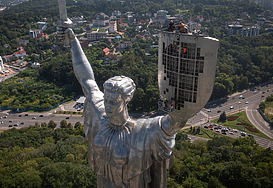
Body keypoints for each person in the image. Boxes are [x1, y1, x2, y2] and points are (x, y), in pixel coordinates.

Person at [60, 28, 204, 188]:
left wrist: (187, 67)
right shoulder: (100, 116)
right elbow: (86, 79)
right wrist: (73, 42)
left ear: (126, 100)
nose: (107, 106)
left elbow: (176, 121)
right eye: (106, 100)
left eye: (113, 102)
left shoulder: (142, 132)